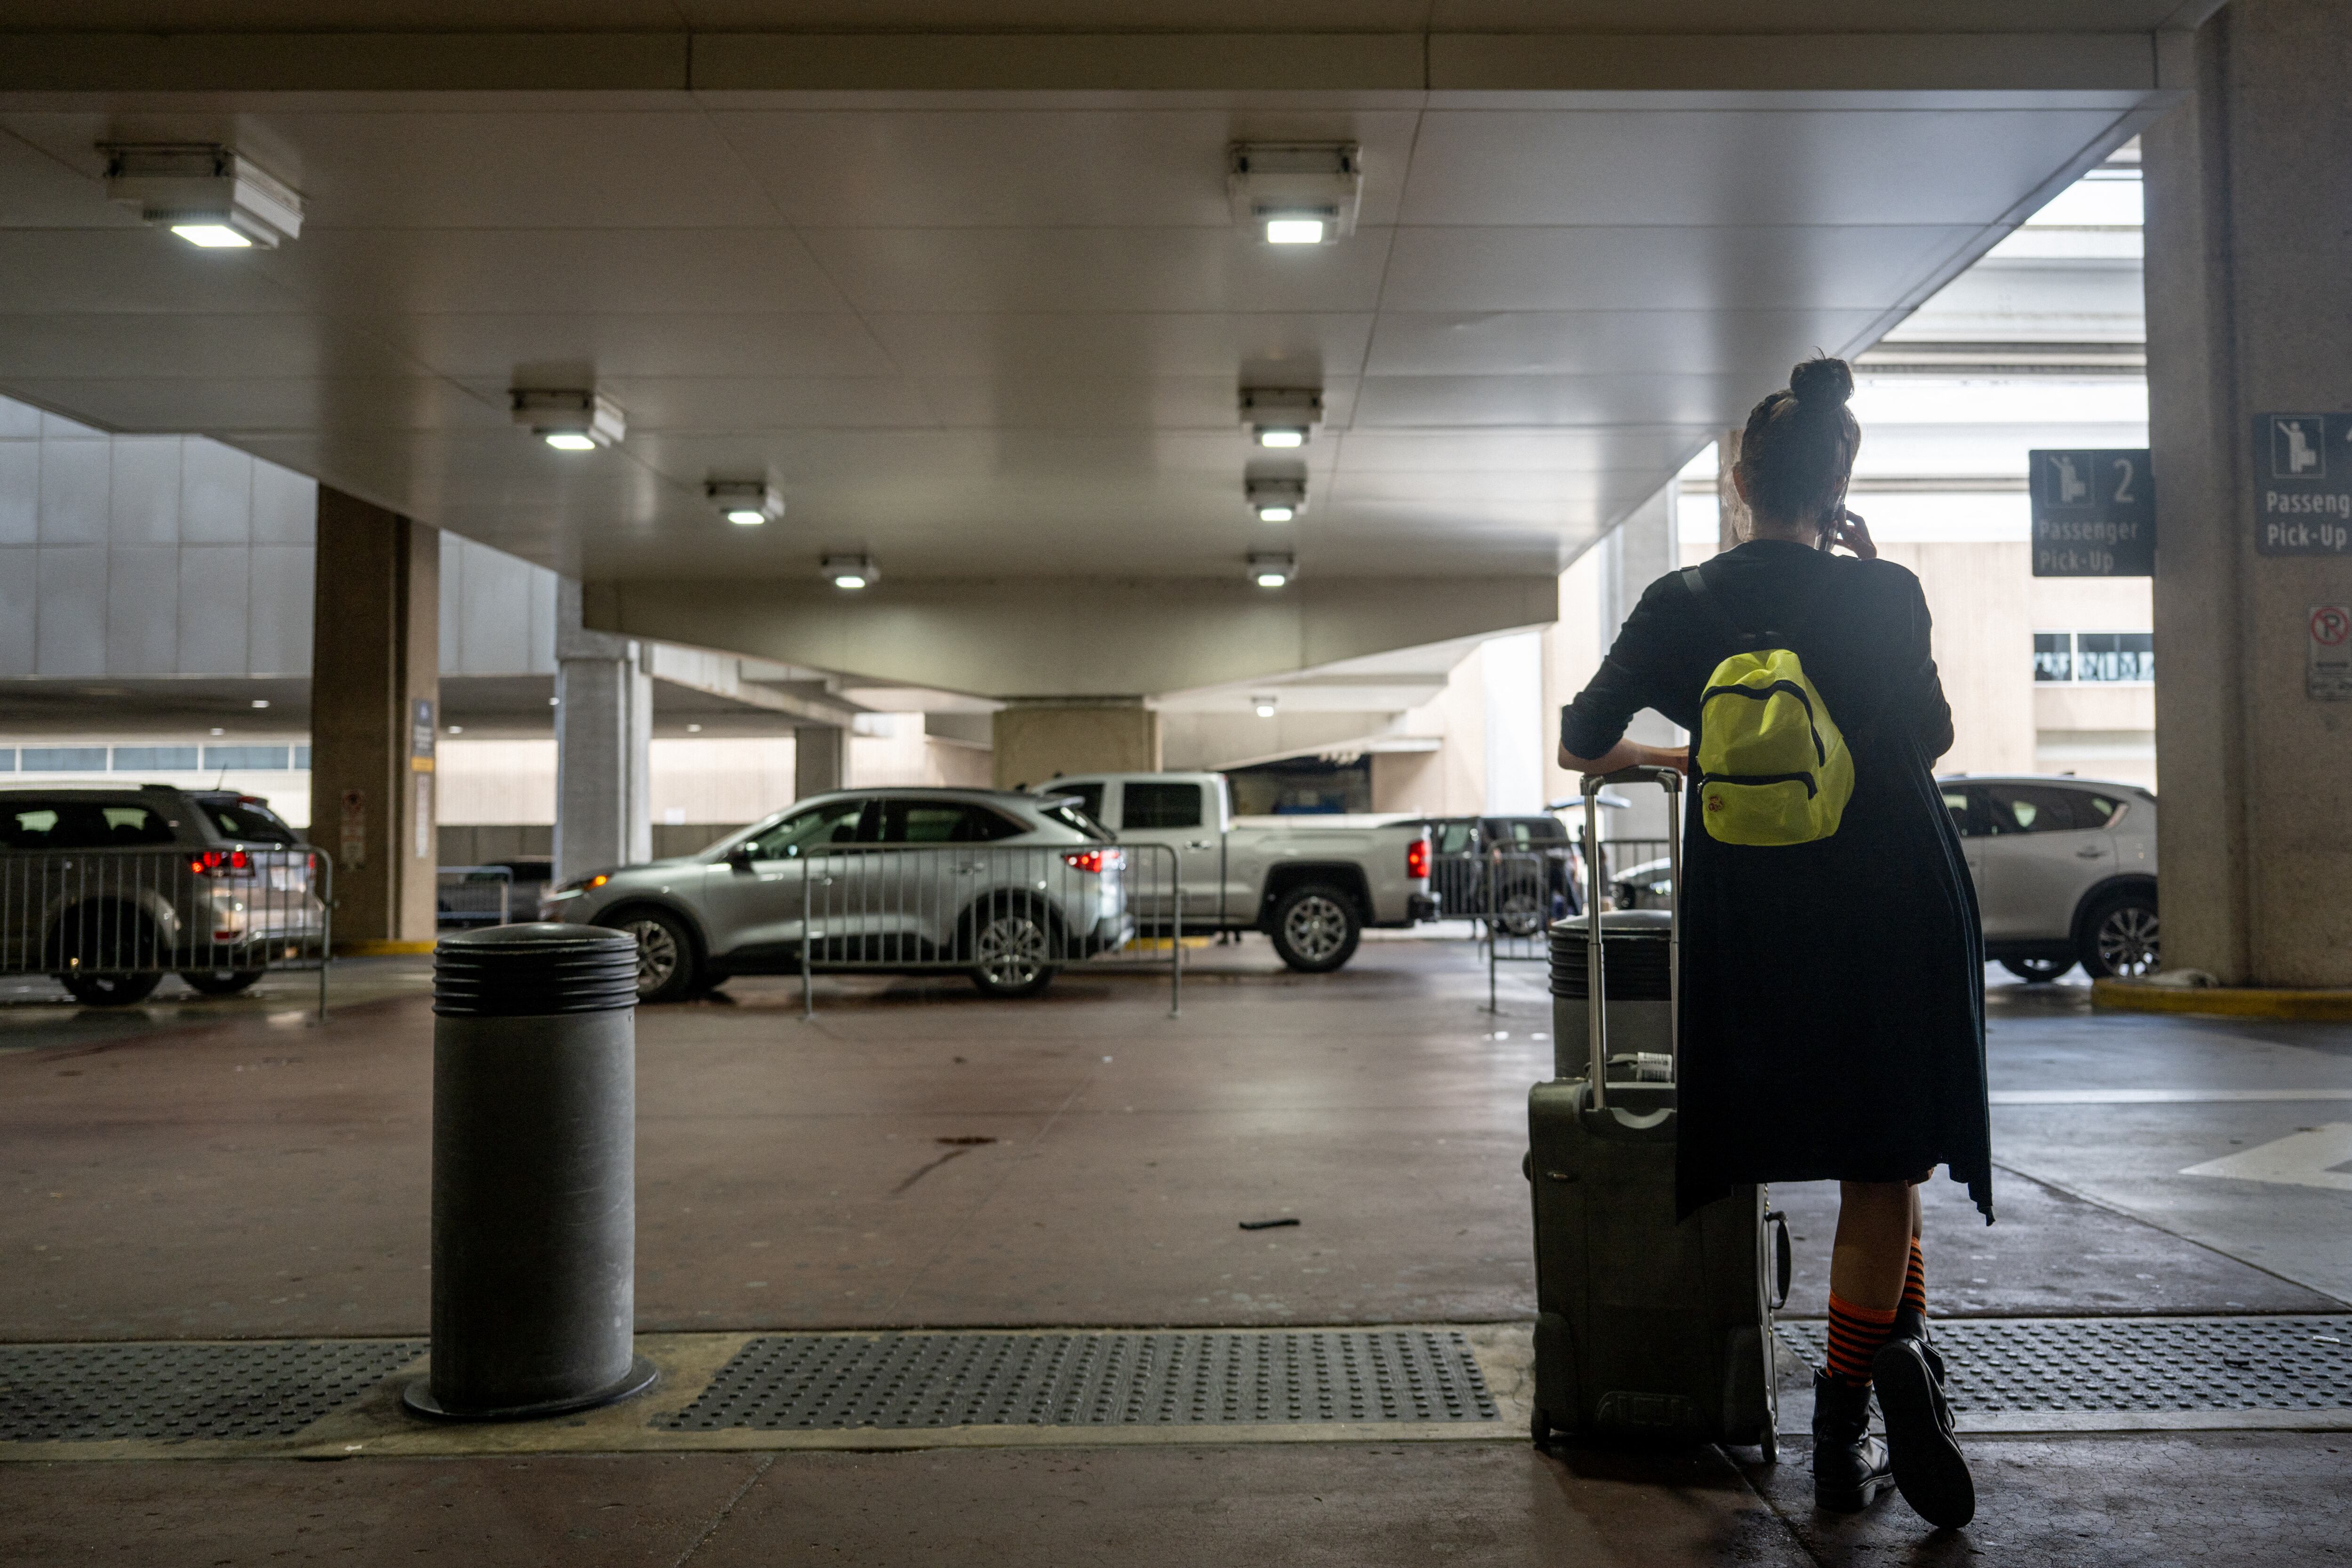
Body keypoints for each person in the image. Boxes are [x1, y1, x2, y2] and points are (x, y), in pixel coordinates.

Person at [1557, 357, 1991, 1531]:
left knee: (1848, 1147)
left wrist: (1683, 757)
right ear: (1840, 476)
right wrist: (1863, 570)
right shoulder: (1886, 593)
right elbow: (1933, 737)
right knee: (1884, 1155)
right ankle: (1852, 1398)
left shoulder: (1678, 603)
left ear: (1740, 475)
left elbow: (1581, 739)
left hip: (1756, 912)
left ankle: (1893, 1352)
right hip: (1895, 893)